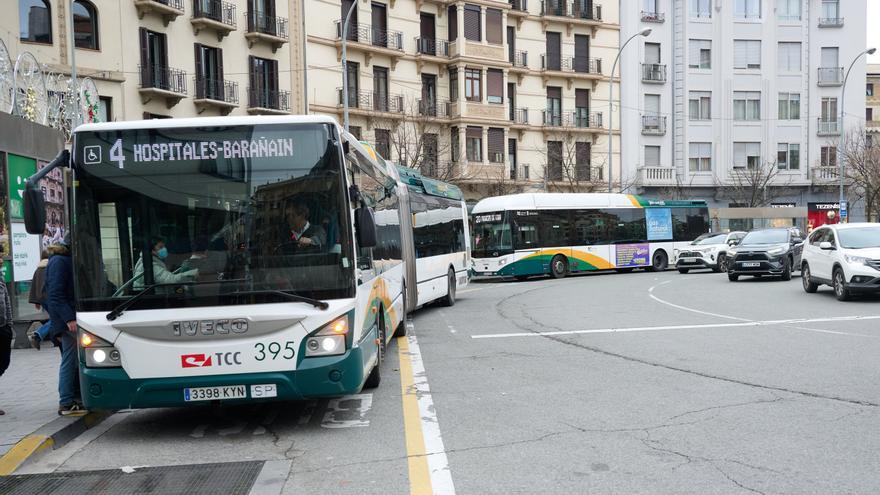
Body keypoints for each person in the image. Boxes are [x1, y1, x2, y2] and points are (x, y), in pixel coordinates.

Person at [44, 237, 83, 415]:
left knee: (73, 358)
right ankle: (66, 401)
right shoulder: (60, 261)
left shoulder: (62, 259)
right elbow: (56, 295)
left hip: (69, 317)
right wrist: (69, 319)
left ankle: (73, 398)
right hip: (68, 320)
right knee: (70, 358)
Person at [133, 238, 198, 290]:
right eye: (161, 247)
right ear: (152, 250)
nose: (164, 249)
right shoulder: (151, 265)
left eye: (164, 247)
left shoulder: (149, 261)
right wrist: (193, 273)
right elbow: (171, 280)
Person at [0, 246, 13, 416]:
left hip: (3, 327)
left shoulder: (0, 277)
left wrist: (10, 324)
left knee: (3, 363)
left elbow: (7, 300)